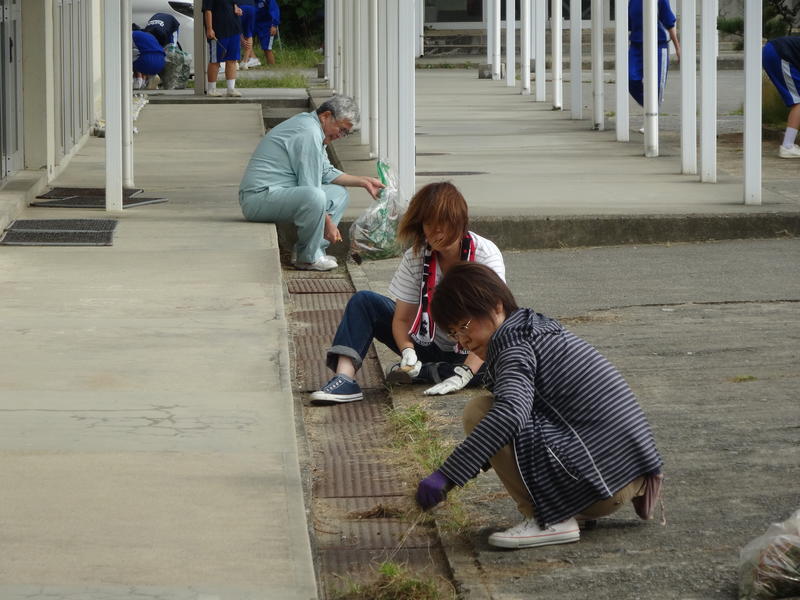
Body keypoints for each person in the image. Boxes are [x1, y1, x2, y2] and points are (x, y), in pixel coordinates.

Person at [415, 263, 664, 550]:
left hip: (603, 483)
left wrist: (448, 474)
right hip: (629, 472)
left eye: (465, 326)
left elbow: (510, 414)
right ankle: (574, 506)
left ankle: (550, 521)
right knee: (509, 412)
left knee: (480, 412)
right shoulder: (533, 327)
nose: (463, 341)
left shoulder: (513, 346)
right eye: (454, 333)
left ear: (496, 306)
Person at [309, 182, 506, 405]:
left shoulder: (484, 254)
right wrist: (407, 350)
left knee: (501, 367)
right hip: (428, 342)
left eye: (443, 223)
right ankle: (344, 379)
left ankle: (433, 372)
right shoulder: (416, 256)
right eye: (429, 223)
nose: (436, 231)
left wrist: (466, 372)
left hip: (476, 347)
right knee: (364, 302)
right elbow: (403, 318)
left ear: (459, 221)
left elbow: (494, 320)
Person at [239, 95, 383, 271]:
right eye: (341, 129)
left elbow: (325, 171)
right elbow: (310, 187)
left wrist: (364, 181)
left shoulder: (313, 127)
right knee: (316, 196)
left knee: (339, 194)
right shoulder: (309, 132)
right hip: (258, 199)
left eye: (345, 133)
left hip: (275, 194)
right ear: (326, 116)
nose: (340, 135)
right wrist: (328, 223)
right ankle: (308, 258)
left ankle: (311, 251)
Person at [628, 0, 681, 120]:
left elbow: (669, 23)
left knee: (657, 86)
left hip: (658, 45)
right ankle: (650, 107)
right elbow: (630, 24)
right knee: (631, 79)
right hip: (636, 46)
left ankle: (652, 119)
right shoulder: (632, 1)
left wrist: (677, 48)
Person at [762, 35, 800, 159]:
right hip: (781, 53)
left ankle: (788, 145)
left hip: (776, 51)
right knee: (799, 101)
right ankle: (787, 146)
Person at [203, 0, 243, 98]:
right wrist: (209, 28)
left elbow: (234, 4)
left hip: (234, 28)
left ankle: (231, 89)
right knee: (215, 60)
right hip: (219, 31)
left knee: (232, 59)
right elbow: (207, 10)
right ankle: (211, 89)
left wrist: (237, 8)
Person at [255, 0, 280, 66]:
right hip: (257, 24)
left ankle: (272, 66)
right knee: (263, 47)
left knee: (267, 48)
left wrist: (274, 25)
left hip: (268, 25)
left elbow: (274, 10)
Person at [237, 0, 260, 69]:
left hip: (240, 7)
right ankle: (245, 62)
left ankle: (235, 62)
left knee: (235, 31)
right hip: (252, 7)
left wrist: (241, 39)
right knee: (249, 33)